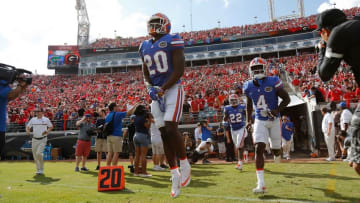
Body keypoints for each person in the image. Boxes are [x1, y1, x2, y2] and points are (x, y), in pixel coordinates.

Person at [139, 13, 191, 197]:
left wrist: (162, 88)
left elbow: (179, 70)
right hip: (156, 93)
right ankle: (174, 174)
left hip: (172, 89)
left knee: (170, 127)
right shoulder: (144, 45)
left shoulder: (173, 39)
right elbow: (145, 72)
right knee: (163, 134)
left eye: (157, 23)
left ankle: (184, 163)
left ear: (166, 25)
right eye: (151, 23)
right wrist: (149, 88)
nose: (153, 26)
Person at [314, 8, 360, 174]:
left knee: (356, 161)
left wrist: (321, 50)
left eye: (321, 33)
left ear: (325, 31)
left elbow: (324, 74)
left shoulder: (338, 33)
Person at [244, 57, 290, 193]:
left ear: (265, 68)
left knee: (276, 150)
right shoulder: (248, 85)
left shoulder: (273, 81)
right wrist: (248, 120)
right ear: (250, 71)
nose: (257, 70)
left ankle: (277, 152)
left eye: (259, 68)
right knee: (259, 148)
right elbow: (248, 105)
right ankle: (261, 184)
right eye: (254, 68)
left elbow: (286, 99)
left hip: (274, 120)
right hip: (259, 120)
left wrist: (276, 110)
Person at [0, 78, 29, 158]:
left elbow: (11, 97)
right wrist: (20, 85)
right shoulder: (2, 85)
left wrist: (22, 86)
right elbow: (11, 95)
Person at [26, 108, 53, 175]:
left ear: (42, 112)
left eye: (38, 111)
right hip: (34, 139)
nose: (37, 112)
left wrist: (47, 131)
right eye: (36, 111)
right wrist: (28, 131)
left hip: (43, 139)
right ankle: (38, 169)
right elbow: (28, 127)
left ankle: (41, 169)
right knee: (35, 155)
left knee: (38, 153)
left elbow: (51, 127)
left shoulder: (46, 119)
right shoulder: (33, 119)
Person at [223, 94, 247, 170]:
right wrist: (226, 115)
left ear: (237, 100)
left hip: (241, 128)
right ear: (229, 101)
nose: (233, 102)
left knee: (238, 145)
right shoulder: (227, 108)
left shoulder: (242, 107)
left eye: (234, 100)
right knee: (239, 146)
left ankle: (239, 163)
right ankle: (241, 161)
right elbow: (224, 119)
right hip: (233, 129)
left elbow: (248, 115)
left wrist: (249, 123)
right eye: (232, 100)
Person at [133, 105, 152, 177]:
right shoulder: (143, 118)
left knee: (137, 155)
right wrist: (149, 119)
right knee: (143, 155)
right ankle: (144, 172)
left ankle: (136, 172)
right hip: (143, 135)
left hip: (136, 135)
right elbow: (147, 126)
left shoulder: (135, 117)